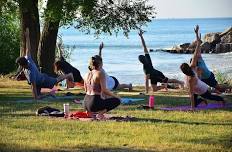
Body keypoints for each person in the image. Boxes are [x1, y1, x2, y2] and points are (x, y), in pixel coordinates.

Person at [15, 28, 74, 100]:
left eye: (20, 65)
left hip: (44, 80)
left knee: (56, 80)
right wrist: (27, 36)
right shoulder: (28, 59)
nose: (19, 66)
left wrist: (35, 97)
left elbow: (33, 86)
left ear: (23, 65)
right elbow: (28, 48)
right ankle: (49, 94)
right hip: (38, 82)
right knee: (38, 97)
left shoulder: (31, 72)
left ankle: (68, 75)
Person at [180, 25, 225, 109]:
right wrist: (197, 35)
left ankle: (221, 97)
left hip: (208, 77)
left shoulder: (197, 62)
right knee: (199, 97)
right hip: (201, 83)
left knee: (213, 93)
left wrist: (197, 37)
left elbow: (197, 50)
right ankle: (203, 100)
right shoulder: (193, 67)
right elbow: (195, 53)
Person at [190, 26, 231, 93]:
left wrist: (197, 33)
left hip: (209, 77)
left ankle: (229, 87)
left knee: (218, 87)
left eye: (193, 60)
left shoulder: (199, 59)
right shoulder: (194, 67)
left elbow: (198, 46)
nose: (193, 62)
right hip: (204, 79)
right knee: (214, 89)